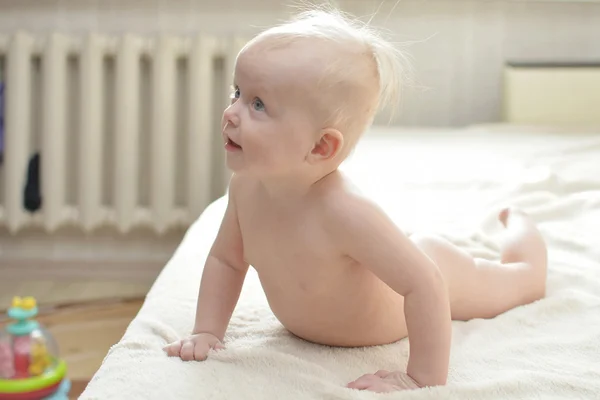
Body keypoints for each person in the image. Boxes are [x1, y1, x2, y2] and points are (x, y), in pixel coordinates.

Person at [164, 8, 547, 392]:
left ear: (320, 146)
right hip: (375, 276)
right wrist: (207, 331)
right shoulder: (246, 187)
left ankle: (524, 235)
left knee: (516, 283)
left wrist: (421, 378)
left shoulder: (343, 211)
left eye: (258, 104)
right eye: (237, 93)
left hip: (435, 274)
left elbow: (426, 283)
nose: (231, 112)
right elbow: (226, 260)